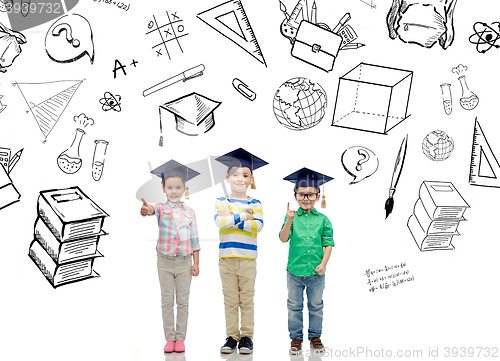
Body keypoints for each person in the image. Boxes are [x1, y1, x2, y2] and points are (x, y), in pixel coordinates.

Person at [140, 159, 201, 354]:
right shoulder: (160, 208)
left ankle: (180, 339)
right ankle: (169, 338)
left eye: (178, 187)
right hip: (164, 262)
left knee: (183, 301)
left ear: (184, 188)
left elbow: (195, 239)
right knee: (167, 300)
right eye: (170, 187)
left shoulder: (190, 212)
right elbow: (149, 210)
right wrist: (145, 209)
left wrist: (196, 263)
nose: (174, 191)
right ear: (164, 189)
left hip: (184, 262)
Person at [214, 148, 268, 355]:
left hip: (247, 259)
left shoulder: (256, 203)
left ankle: (246, 337)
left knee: (246, 299)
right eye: (235, 174)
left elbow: (259, 226)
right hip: (226, 258)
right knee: (229, 299)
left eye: (245, 175)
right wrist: (245, 216)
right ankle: (231, 337)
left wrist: (233, 217)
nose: (240, 178)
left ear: (251, 179)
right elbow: (220, 222)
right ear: (227, 178)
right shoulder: (221, 201)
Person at [279, 168, 335, 355]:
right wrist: (288, 220)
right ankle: (296, 338)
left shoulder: (323, 220)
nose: (306, 198)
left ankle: (315, 336)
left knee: (316, 305)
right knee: (294, 306)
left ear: (318, 197)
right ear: (295, 195)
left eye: (310, 195)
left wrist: (323, 264)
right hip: (294, 272)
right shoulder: (292, 218)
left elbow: (328, 245)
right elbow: (283, 238)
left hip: (316, 273)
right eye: (302, 195)